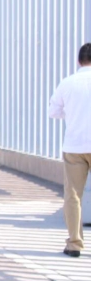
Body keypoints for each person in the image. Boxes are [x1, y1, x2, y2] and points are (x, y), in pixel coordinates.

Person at [48, 43, 91, 258]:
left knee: (73, 195)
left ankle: (75, 243)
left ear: (78, 61)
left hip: (74, 145)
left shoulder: (68, 83)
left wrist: (71, 114)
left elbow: (53, 111)